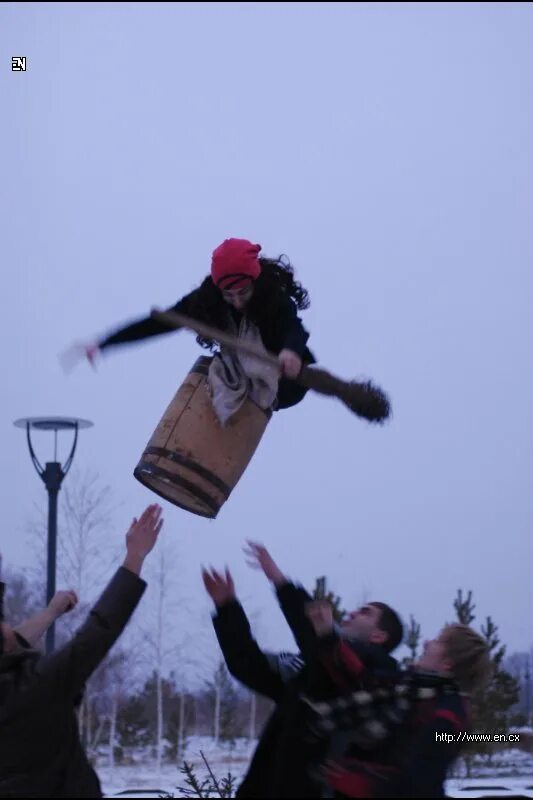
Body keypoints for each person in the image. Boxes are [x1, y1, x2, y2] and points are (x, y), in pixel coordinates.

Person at [202, 542, 403, 798]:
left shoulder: (374, 675)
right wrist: (227, 608)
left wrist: (280, 581)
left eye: (365, 612)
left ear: (379, 636)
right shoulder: (309, 671)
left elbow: (317, 641)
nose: (352, 613)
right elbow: (250, 667)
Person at [0, 504, 164, 798]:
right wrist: (134, 556)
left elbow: (15, 641)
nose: (10, 625)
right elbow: (97, 632)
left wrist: (50, 613)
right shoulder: (33, 686)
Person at [69, 238, 316, 423]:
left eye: (243, 293)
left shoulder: (273, 296)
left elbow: (293, 327)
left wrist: (291, 352)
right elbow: (158, 324)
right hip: (238, 375)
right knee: (211, 379)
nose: (238, 302)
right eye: (229, 295)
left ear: (254, 282)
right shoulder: (205, 301)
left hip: (285, 380)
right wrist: (104, 343)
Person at [303, 604, 491, 798]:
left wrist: (351, 778)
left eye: (437, 641)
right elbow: (362, 678)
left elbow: (417, 784)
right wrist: (326, 635)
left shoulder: (447, 717)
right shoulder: (408, 688)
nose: (426, 643)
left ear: (447, 663)